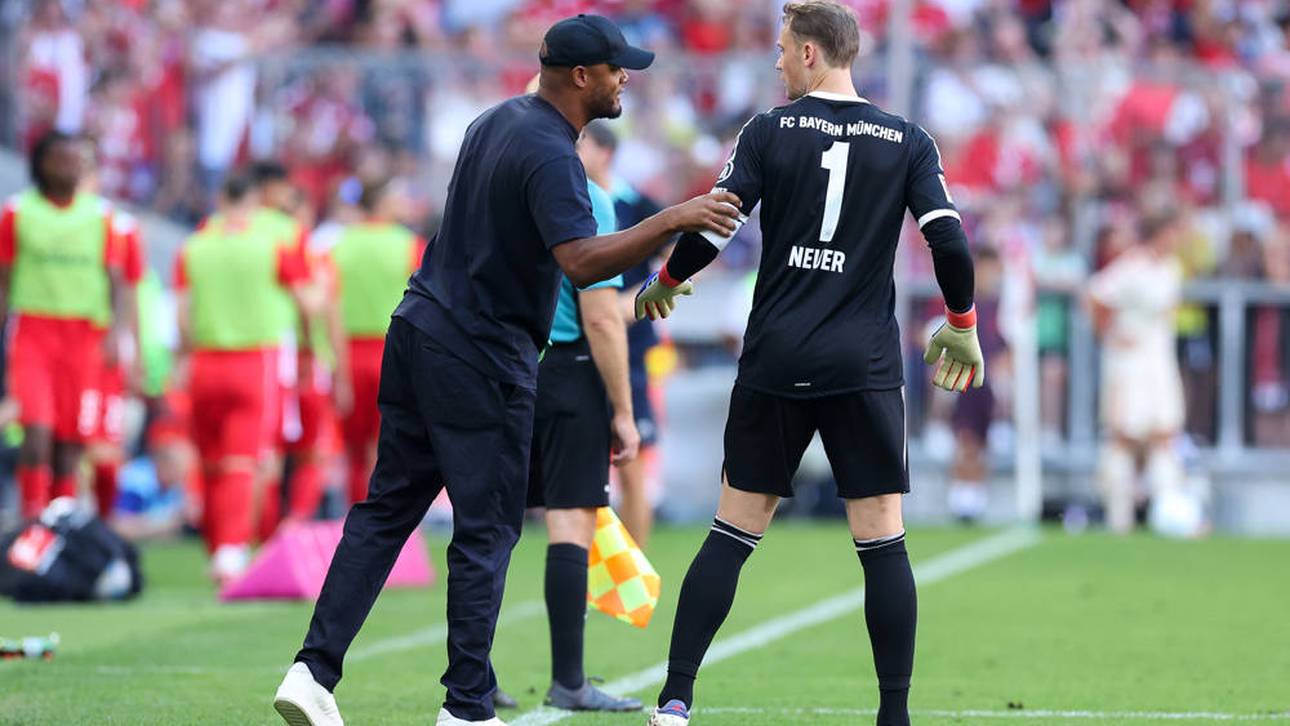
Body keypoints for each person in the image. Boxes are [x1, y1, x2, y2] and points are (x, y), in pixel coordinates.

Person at [272, 14, 741, 726]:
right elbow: (579, 263)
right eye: (616, 68)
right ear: (581, 76)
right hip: (481, 353)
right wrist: (670, 220)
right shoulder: (553, 154)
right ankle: (466, 708)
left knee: (385, 512)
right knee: (486, 531)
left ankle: (312, 670)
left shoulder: (495, 121)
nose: (625, 79)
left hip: (419, 329)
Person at [635, 4, 982, 725]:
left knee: (733, 531)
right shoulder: (908, 140)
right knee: (881, 540)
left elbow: (717, 221)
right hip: (862, 360)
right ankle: (893, 716)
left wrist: (668, 279)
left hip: (777, 353)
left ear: (812, 54)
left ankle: (674, 701)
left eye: (784, 49)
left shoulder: (767, 130)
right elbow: (948, 241)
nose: (777, 62)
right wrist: (962, 324)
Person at [521, 174, 641, 712]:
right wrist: (623, 411)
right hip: (568, 369)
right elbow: (599, 315)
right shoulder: (587, 196)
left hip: (502, 362)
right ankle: (569, 680)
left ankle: (473, 677)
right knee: (570, 521)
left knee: (489, 523)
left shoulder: (492, 181)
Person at [173, 174, 313, 582]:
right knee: (243, 459)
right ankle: (231, 550)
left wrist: (186, 354)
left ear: (220, 200)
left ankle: (215, 544)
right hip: (255, 360)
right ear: (253, 203)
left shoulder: (194, 246)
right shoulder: (271, 245)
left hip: (205, 359)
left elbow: (182, 312)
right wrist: (307, 344)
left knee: (210, 459)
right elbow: (305, 302)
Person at [0, 130, 128, 518]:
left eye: (77, 161)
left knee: (70, 441)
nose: (71, 168)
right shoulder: (18, 212)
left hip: (84, 336)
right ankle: (32, 518)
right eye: (62, 160)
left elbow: (116, 280)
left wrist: (116, 332)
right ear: (42, 164)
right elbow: (4, 280)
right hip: (34, 332)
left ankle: (61, 522)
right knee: (36, 429)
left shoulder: (101, 216)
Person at [578, 120, 664, 547]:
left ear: (605, 152)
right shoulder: (569, 201)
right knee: (580, 468)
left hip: (626, 349)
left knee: (631, 464)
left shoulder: (639, 206)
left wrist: (634, 302)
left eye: (582, 144)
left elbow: (685, 263)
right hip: (578, 346)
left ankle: (635, 566)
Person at [326, 179, 423, 506]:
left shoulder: (339, 246)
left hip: (348, 353)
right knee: (390, 444)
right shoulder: (410, 245)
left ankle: (357, 516)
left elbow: (330, 306)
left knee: (354, 448)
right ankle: (385, 517)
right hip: (394, 351)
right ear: (382, 202)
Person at [1087, 215, 1185, 534]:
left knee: (1164, 434)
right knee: (1124, 436)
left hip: (1160, 359)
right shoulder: (1132, 266)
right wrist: (1108, 334)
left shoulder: (1171, 269)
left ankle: (1166, 512)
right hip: (1129, 362)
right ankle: (1119, 517)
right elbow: (1096, 294)